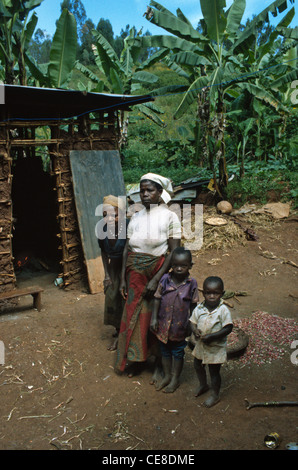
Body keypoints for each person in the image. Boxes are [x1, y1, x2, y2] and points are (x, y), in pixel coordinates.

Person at [114, 173, 181, 376]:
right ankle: (136, 360)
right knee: (134, 315)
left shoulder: (170, 217)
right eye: (142, 190)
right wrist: (123, 279)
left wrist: (156, 279)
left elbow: (173, 253)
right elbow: (127, 249)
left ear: (160, 193)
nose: (144, 194)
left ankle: (158, 363)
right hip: (134, 275)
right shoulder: (136, 216)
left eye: (149, 190)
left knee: (155, 317)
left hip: (155, 274)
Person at [150, 247, 199, 393]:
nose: (178, 268)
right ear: (171, 265)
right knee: (164, 351)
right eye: (175, 265)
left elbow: (194, 305)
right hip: (163, 324)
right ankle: (166, 376)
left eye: (183, 266)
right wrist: (154, 318)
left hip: (180, 326)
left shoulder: (192, 283)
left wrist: (192, 323)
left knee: (177, 352)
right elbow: (157, 298)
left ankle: (175, 379)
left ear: (190, 266)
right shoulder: (165, 280)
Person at [189, 276, 233, 408]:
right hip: (201, 345)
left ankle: (215, 395)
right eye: (208, 293)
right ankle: (203, 385)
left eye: (216, 293)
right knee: (197, 365)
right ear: (203, 293)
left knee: (214, 372)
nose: (212, 296)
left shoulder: (223, 310)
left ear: (222, 294)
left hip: (215, 347)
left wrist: (213, 336)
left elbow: (228, 328)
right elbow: (192, 321)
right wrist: (195, 330)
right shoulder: (199, 308)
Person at [98, 195, 128, 351]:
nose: (110, 219)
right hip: (114, 268)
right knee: (111, 296)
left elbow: (129, 252)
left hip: (128, 268)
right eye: (105, 215)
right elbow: (103, 253)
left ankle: (124, 333)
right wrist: (107, 275)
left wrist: (123, 278)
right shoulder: (102, 229)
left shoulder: (128, 227)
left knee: (124, 298)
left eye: (114, 215)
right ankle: (118, 330)